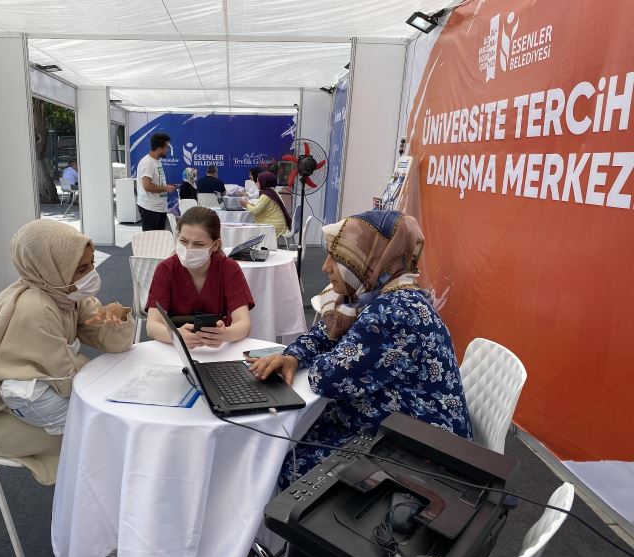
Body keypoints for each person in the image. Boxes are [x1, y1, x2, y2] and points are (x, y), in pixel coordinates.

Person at [248, 210, 472, 488]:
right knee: (295, 441)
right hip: (397, 423)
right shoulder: (372, 293)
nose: (325, 267)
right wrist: (293, 355)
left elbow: (329, 378)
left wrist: (318, 357)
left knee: (286, 464)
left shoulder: (394, 311)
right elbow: (324, 333)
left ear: (372, 260)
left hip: (421, 451)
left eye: (339, 259)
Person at [0, 219, 136, 485]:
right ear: (50, 268)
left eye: (91, 264)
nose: (90, 275)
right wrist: (94, 369)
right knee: (95, 438)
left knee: (102, 432)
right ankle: (88, 513)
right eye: (81, 269)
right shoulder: (37, 309)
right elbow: (66, 381)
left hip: (25, 403)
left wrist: (118, 314)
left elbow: (113, 343)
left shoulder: (65, 293)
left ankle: (98, 504)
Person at [146, 206, 254, 348]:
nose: (189, 249)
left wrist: (225, 334)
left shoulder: (229, 269)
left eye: (198, 244)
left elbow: (244, 323)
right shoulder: (166, 269)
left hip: (220, 350)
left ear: (215, 245)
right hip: (175, 350)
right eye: (183, 241)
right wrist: (176, 336)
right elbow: (152, 325)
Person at [137, 132, 175, 231]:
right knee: (150, 242)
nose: (167, 150)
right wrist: (165, 188)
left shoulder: (156, 161)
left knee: (159, 241)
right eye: (166, 147)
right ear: (159, 149)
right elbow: (147, 186)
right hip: (150, 208)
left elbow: (155, 183)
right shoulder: (147, 163)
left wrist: (165, 187)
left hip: (159, 207)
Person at [240, 171, 291, 236]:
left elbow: (255, 210)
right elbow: (260, 206)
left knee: (248, 232)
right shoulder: (272, 191)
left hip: (273, 226)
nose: (257, 183)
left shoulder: (266, 195)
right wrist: (248, 203)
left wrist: (246, 204)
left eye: (258, 181)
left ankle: (259, 246)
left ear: (263, 182)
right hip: (278, 224)